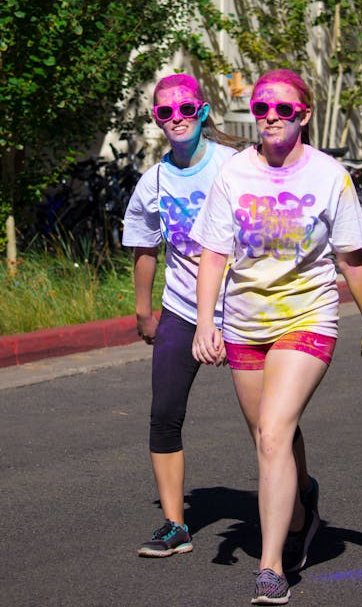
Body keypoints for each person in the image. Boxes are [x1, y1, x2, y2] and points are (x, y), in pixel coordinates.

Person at [191, 68, 362, 605]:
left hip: (308, 316)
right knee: (266, 435)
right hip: (245, 322)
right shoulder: (234, 174)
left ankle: (272, 566)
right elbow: (213, 253)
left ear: (303, 115)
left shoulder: (329, 176)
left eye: (282, 109)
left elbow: (351, 257)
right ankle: (304, 504)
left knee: (275, 432)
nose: (271, 117)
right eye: (261, 109)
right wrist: (205, 320)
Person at [122, 72, 243, 558]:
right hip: (181, 309)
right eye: (165, 112)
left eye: (185, 109)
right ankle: (175, 525)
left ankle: (298, 504)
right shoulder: (153, 180)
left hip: (242, 309)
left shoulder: (235, 167)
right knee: (163, 417)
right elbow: (145, 247)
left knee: (267, 423)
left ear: (203, 112)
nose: (176, 119)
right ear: (157, 118)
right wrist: (143, 311)